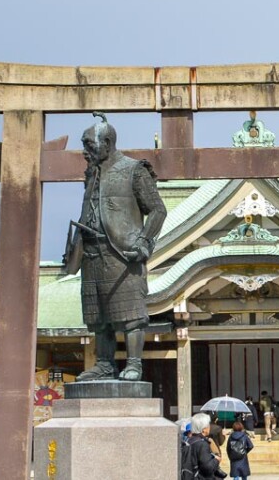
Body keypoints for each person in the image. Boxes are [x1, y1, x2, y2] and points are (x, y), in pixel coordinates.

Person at [66, 112, 167, 383]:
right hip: (91, 251)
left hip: (122, 252)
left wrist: (144, 242)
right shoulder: (92, 174)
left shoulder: (134, 170)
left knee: (130, 314)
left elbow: (157, 210)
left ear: (107, 143)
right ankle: (104, 364)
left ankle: (134, 364)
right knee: (99, 317)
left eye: (89, 144)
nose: (84, 151)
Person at [182, 413, 222, 480]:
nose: (210, 427)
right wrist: (216, 460)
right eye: (208, 425)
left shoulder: (190, 440)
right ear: (204, 429)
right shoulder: (202, 444)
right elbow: (207, 468)